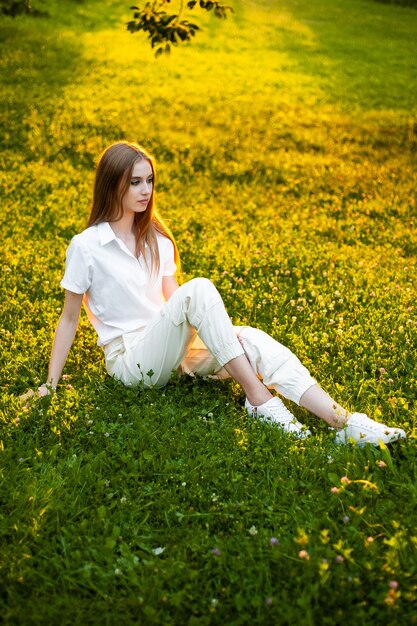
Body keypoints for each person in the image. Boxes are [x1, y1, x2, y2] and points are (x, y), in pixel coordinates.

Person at [21, 141, 406, 447]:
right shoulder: (87, 246)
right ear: (112, 185)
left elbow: (175, 304)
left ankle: (343, 422)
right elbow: (69, 318)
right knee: (200, 289)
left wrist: (227, 340)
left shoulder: (156, 239)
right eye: (134, 182)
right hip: (131, 362)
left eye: (149, 181)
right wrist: (50, 386)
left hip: (173, 352)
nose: (145, 190)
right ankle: (260, 400)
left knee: (251, 339)